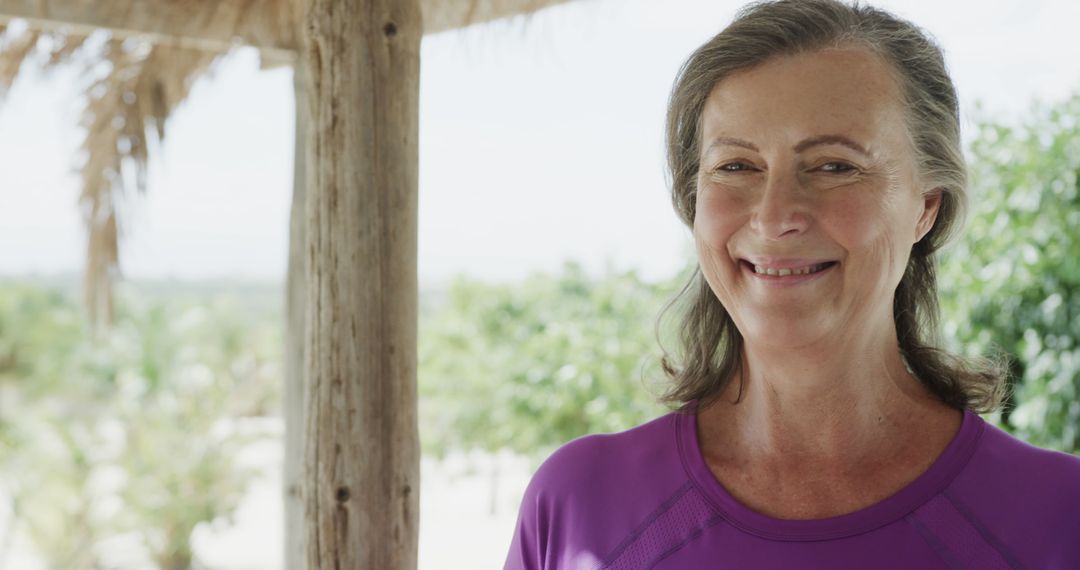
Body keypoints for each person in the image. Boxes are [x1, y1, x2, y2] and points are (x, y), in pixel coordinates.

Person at [503, 1, 1080, 568]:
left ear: (925, 207)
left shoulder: (1059, 517)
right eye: (736, 166)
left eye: (834, 165)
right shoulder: (577, 504)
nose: (775, 216)